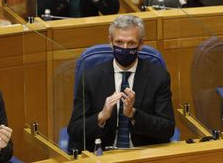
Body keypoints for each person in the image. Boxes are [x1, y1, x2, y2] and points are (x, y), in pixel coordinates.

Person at [68, 15, 175, 152]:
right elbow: (75, 131)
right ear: (110, 42)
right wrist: (101, 116)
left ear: (141, 44)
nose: (124, 48)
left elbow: (167, 128)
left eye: (131, 43)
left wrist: (133, 114)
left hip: (143, 154)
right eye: (119, 42)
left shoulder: (158, 76)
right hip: (104, 155)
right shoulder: (90, 77)